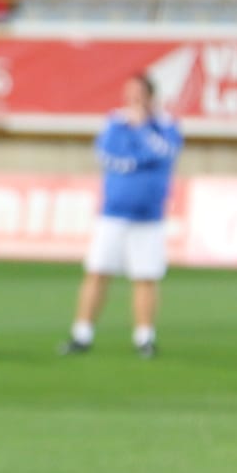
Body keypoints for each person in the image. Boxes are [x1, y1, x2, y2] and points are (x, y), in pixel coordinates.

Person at [60, 74, 182, 358]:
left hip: (149, 216)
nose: (133, 100)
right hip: (113, 213)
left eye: (138, 94)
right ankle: (82, 333)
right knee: (97, 272)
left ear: (151, 96)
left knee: (146, 277)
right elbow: (107, 156)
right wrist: (138, 160)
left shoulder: (165, 125)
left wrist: (141, 133)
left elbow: (166, 153)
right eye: (129, 94)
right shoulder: (114, 123)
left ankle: (144, 337)